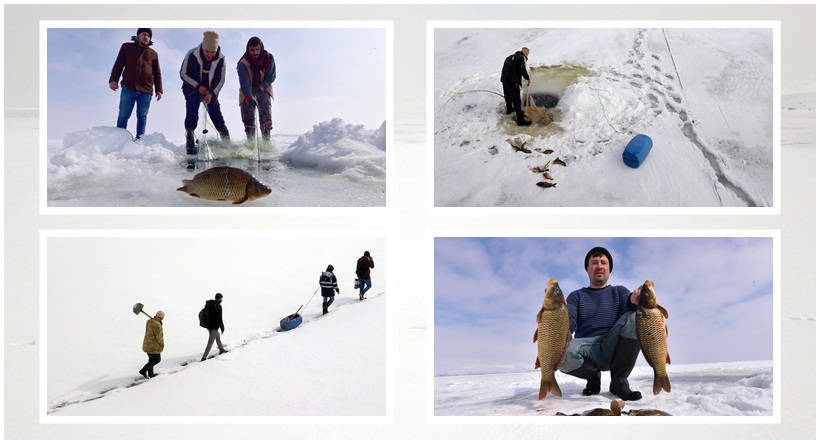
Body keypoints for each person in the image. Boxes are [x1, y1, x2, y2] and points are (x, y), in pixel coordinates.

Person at [558, 247, 644, 401]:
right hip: (587, 349)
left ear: (609, 269)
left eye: (604, 262)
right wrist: (559, 314)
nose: (599, 266)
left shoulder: (618, 291)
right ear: (587, 269)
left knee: (635, 317)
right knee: (560, 351)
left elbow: (628, 304)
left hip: (614, 345)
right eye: (594, 262)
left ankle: (619, 381)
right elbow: (569, 324)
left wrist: (634, 300)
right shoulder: (576, 296)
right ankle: (592, 377)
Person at [180, 30, 231, 155]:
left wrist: (211, 94)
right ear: (203, 47)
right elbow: (183, 74)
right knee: (192, 114)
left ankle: (227, 145)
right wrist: (198, 86)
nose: (209, 55)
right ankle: (190, 146)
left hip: (210, 91)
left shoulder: (221, 59)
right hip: (192, 89)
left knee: (217, 116)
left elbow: (220, 79)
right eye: (207, 52)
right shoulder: (192, 54)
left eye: (212, 52)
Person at [109, 28, 163, 140]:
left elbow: (157, 73)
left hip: (146, 90)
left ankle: (140, 139)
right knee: (124, 114)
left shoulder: (153, 54)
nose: (146, 37)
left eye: (149, 36)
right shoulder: (126, 47)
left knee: (142, 116)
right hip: (129, 87)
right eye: (144, 34)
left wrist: (159, 89)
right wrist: (113, 80)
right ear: (138, 35)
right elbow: (118, 64)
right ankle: (119, 139)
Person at [237, 36, 276, 142]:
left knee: (265, 111)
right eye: (252, 50)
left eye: (257, 49)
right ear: (248, 49)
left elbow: (271, 77)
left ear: (261, 48)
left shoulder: (269, 59)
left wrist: (263, 86)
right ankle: (251, 142)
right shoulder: (242, 63)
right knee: (248, 113)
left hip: (263, 87)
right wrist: (249, 97)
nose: (255, 52)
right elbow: (244, 82)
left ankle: (266, 141)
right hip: (247, 89)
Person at [500, 47, 532, 126]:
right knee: (516, 99)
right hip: (513, 81)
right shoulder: (521, 58)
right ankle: (520, 120)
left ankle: (509, 109)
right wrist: (527, 78)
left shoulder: (509, 57)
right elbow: (522, 69)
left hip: (504, 79)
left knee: (507, 95)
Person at [201, 293, 228, 361]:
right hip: (214, 327)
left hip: (208, 326)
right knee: (210, 342)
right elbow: (219, 318)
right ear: (220, 298)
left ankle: (221, 349)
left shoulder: (209, 304)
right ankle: (204, 357)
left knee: (217, 336)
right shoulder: (218, 306)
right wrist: (222, 328)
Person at [139, 310, 165, 378]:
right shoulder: (157, 325)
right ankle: (143, 370)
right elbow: (159, 337)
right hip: (154, 346)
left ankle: (151, 374)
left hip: (147, 344)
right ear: (162, 317)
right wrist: (161, 344)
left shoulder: (149, 321)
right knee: (157, 360)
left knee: (151, 360)